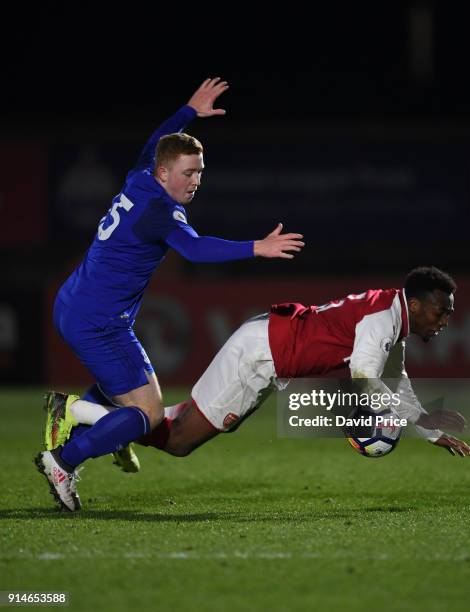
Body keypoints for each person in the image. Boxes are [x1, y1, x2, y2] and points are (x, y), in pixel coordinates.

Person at [35, 77, 305, 512]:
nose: (196, 179)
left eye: (200, 170)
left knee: (124, 395)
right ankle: (64, 458)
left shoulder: (142, 176)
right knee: (149, 415)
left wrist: (187, 112)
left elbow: (155, 140)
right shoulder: (159, 210)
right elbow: (195, 249)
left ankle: (79, 417)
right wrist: (257, 247)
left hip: (75, 303)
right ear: (165, 173)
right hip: (99, 322)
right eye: (188, 172)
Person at [43, 266, 470, 511]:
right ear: (415, 304)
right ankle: (80, 420)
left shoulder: (392, 318)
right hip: (262, 356)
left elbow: (396, 382)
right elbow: (363, 372)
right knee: (177, 441)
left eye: (449, 314)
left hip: (265, 349)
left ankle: (102, 416)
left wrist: (427, 427)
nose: (444, 321)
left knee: (176, 423)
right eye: (440, 311)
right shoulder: (383, 320)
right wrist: (397, 415)